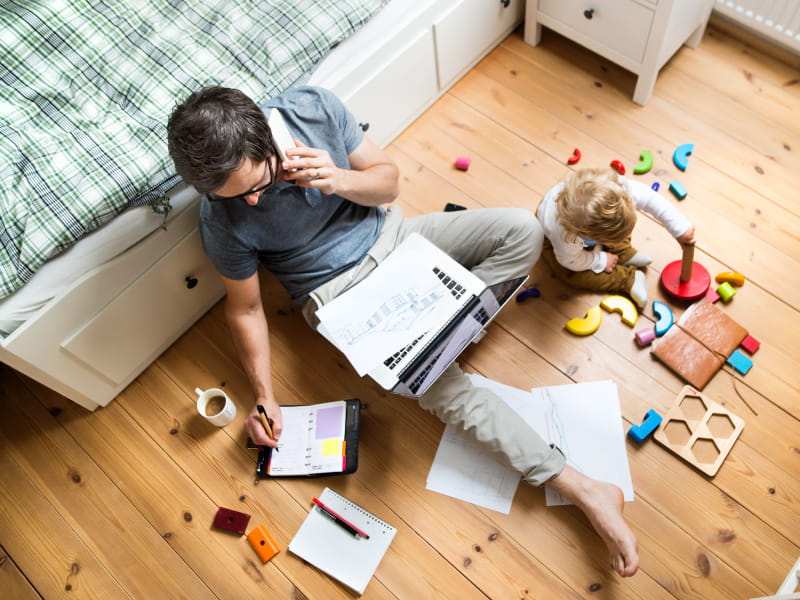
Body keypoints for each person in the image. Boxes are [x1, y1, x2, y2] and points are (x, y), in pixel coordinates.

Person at [167, 85, 639, 576]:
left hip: (397, 238)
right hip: (339, 295)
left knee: (522, 230)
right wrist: (264, 394)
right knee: (435, 385)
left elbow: (388, 183)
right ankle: (580, 486)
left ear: (266, 138)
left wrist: (338, 180)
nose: (254, 199)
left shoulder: (310, 108)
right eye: (238, 197)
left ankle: (438, 336)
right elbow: (245, 310)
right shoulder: (221, 218)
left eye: (256, 183)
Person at [537, 168, 695, 308]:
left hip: (591, 228)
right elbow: (570, 261)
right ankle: (626, 280)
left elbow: (650, 198)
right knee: (568, 274)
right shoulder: (565, 236)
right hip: (557, 244)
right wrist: (599, 260)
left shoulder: (618, 190)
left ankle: (623, 251)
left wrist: (680, 228)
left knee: (619, 225)